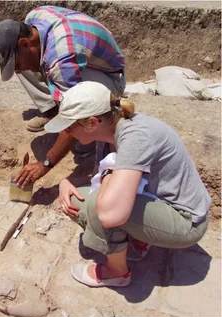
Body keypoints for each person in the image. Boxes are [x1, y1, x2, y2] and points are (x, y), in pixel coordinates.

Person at [44, 81, 211, 287]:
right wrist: (66, 181)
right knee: (77, 197)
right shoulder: (109, 133)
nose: (67, 132)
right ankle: (140, 241)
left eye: (69, 126)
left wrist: (108, 174)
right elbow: (99, 176)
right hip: (163, 201)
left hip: (187, 222)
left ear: (92, 123)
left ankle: (116, 273)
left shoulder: (135, 138)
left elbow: (109, 213)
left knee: (97, 206)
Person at [0, 5, 126, 188]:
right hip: (75, 59)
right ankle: (54, 110)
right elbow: (32, 60)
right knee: (26, 66)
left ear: (24, 43)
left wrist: (46, 164)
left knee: (76, 112)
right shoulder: (32, 19)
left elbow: (77, 112)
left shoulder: (61, 60)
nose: (18, 69)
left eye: (16, 62)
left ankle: (88, 144)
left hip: (109, 77)